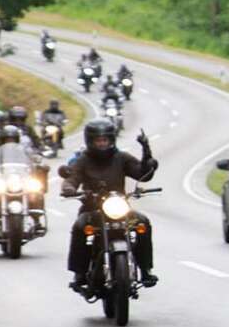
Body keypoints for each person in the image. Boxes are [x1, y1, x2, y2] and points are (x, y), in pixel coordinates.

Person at [59, 118, 160, 291]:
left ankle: (145, 270)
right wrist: (69, 188)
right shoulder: (83, 160)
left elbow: (142, 173)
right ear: (90, 141)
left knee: (143, 222)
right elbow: (72, 178)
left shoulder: (121, 157)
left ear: (112, 140)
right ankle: (79, 273)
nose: (102, 144)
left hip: (120, 208)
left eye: (105, 140)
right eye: (98, 140)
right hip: (92, 209)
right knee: (79, 226)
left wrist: (146, 151)